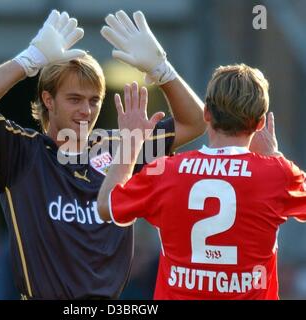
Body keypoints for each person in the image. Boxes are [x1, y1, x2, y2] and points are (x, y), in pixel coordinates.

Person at [0, 10, 205, 299]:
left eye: (94, 100)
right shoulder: (22, 150)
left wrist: (162, 69)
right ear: (48, 100)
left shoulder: (123, 146)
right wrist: (29, 59)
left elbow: (196, 121)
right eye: (74, 99)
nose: (86, 110)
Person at [97, 64, 306, 300]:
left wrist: (130, 143)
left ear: (206, 114)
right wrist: (275, 157)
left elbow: (106, 206)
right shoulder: (277, 174)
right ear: (259, 124)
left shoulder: (166, 171)